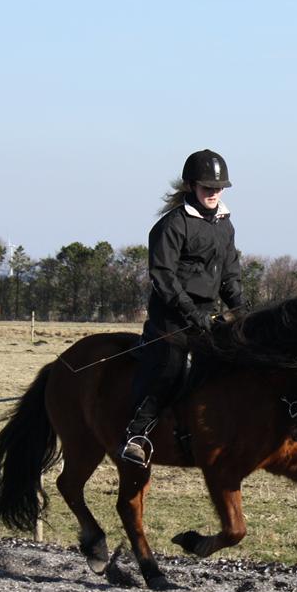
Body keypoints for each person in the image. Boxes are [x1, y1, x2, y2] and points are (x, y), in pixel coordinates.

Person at [121, 149, 245, 466]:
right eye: (207, 187)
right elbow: (163, 277)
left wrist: (243, 310)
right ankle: (137, 434)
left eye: (218, 188)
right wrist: (192, 314)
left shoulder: (225, 225)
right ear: (191, 186)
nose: (214, 192)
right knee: (174, 366)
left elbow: (230, 274)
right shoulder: (172, 226)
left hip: (208, 317)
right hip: (171, 319)